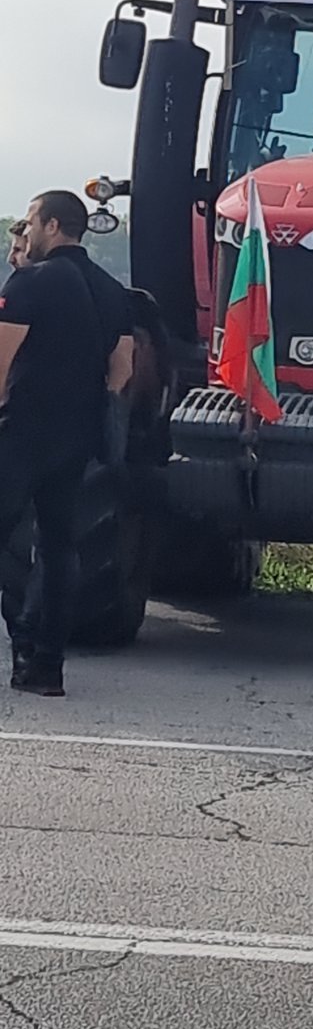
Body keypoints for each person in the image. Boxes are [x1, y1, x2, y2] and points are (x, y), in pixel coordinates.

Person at [0, 190, 133, 696]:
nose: (25, 228)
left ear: (53, 226)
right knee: (58, 550)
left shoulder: (30, 281)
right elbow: (122, 372)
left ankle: (24, 637)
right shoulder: (111, 290)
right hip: (77, 438)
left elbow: (1, 364)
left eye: (30, 220)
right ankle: (45, 666)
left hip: (22, 432)